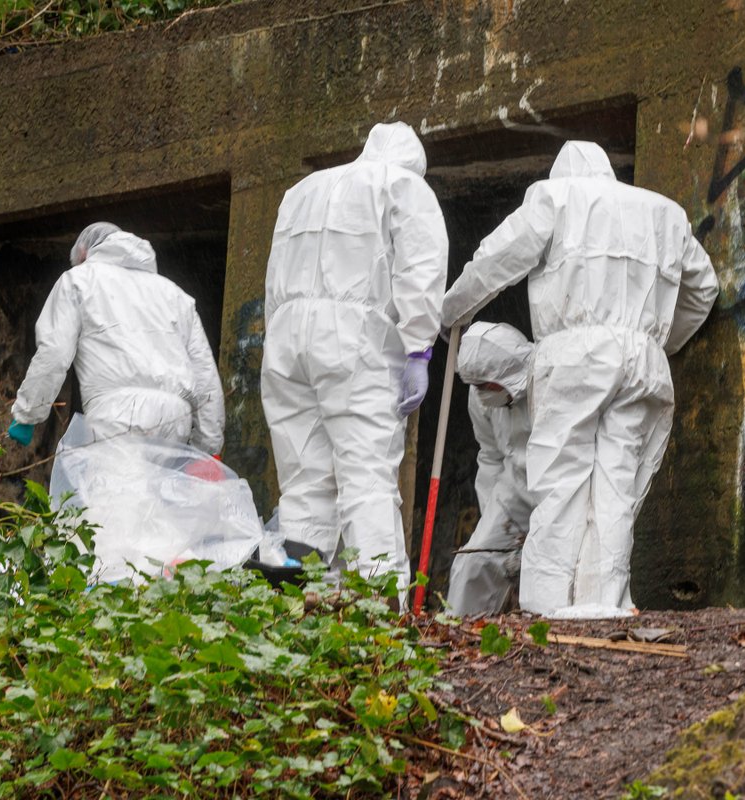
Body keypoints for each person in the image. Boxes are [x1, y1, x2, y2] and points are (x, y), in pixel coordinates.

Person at [440, 141, 719, 617]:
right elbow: (704, 287)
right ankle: (598, 605)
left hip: (576, 355)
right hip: (644, 360)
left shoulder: (555, 197)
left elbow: (498, 259)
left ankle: (545, 608)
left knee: (562, 483)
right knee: (616, 486)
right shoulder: (666, 214)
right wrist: (662, 342)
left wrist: (451, 312)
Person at [261, 121, 448, 597]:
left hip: (287, 342)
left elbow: (274, 275)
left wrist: (276, 346)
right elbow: (420, 270)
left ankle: (300, 611)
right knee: (365, 477)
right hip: (354, 341)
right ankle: (379, 611)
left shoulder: (301, 190)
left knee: (304, 484)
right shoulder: (404, 186)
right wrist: (419, 347)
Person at [9, 222, 225, 453]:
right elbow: (205, 374)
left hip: (117, 416)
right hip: (176, 419)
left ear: (83, 252)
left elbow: (54, 352)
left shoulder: (78, 279)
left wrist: (27, 414)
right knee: (160, 489)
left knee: (113, 489)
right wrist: (210, 447)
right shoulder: (175, 294)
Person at [446, 322, 534, 616]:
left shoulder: (546, 381)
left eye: (486, 386)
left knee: (549, 572)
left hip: (559, 487)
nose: (482, 393)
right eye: (476, 386)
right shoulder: (481, 398)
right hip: (514, 490)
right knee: (474, 561)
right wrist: (494, 515)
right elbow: (491, 456)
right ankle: (459, 635)